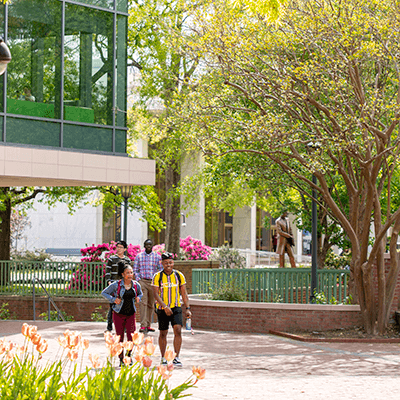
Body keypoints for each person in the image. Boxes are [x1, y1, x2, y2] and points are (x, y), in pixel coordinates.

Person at [152, 252, 192, 368]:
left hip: (176, 307)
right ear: (162, 263)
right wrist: (165, 306)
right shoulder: (157, 276)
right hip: (162, 308)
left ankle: (176, 357)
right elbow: (155, 294)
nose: (168, 265)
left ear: (173, 263)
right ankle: (163, 357)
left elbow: (184, 293)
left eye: (170, 262)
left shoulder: (179, 276)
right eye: (165, 263)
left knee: (178, 330)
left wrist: (188, 308)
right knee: (163, 333)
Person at [101, 262, 142, 366]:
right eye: (127, 272)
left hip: (131, 314)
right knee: (119, 337)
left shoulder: (136, 285)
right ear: (123, 274)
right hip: (119, 313)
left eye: (131, 272)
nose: (130, 274)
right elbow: (104, 293)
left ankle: (128, 357)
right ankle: (121, 358)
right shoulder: (116, 285)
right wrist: (114, 299)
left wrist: (139, 298)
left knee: (131, 336)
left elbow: (140, 294)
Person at [133, 239, 162, 333]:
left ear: (152, 246)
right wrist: (138, 280)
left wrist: (157, 281)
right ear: (144, 246)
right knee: (143, 303)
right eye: (147, 245)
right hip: (143, 282)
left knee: (150, 304)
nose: (148, 246)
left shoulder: (157, 257)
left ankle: (148, 325)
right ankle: (143, 325)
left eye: (150, 244)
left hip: (153, 283)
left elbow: (160, 269)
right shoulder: (139, 256)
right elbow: (135, 269)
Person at [105, 240, 131, 332]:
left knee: (124, 306)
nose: (118, 249)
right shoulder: (112, 259)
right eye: (117, 247)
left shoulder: (127, 260)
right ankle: (109, 327)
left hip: (124, 285)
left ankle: (123, 327)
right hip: (114, 285)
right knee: (113, 305)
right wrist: (109, 282)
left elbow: (129, 273)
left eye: (120, 247)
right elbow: (107, 272)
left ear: (125, 249)